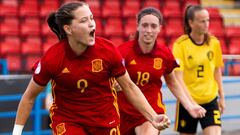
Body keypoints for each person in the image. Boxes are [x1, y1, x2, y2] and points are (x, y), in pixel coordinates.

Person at [12, 2, 172, 135]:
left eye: (92, 18)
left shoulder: (108, 50)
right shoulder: (52, 58)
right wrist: (16, 132)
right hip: (69, 122)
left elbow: (129, 86)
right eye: (83, 21)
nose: (91, 24)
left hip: (104, 121)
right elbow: (29, 97)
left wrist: (153, 117)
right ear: (68, 29)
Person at [115, 7, 206, 135]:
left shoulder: (165, 54)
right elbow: (108, 81)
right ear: (138, 27)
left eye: (153, 26)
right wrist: (114, 85)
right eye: (144, 25)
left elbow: (172, 82)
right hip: (123, 113)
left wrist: (190, 106)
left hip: (152, 112)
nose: (148, 30)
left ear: (159, 28)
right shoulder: (122, 52)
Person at [172, 5, 225, 135]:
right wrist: (191, 103)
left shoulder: (214, 43)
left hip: (210, 100)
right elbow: (178, 78)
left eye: (207, 20)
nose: (206, 24)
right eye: (202, 21)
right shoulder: (180, 45)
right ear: (191, 23)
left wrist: (222, 97)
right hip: (188, 102)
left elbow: (217, 71)